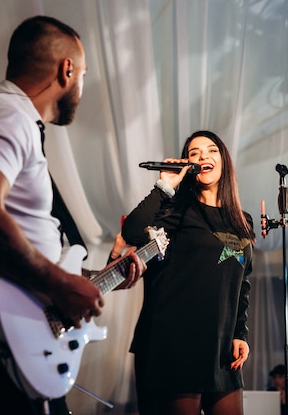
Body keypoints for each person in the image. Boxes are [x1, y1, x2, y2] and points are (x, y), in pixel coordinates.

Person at [0, 16, 146, 415]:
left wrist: (86, 280)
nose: (81, 86)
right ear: (66, 69)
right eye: (82, 74)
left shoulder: (9, 119)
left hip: (11, 333)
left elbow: (7, 247)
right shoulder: (3, 115)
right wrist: (60, 283)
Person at [121, 130, 255, 415]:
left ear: (224, 161)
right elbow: (132, 232)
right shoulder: (175, 211)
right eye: (194, 153)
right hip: (177, 342)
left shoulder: (243, 221)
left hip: (220, 345)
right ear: (188, 165)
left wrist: (239, 332)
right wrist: (164, 185)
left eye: (211, 150)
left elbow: (241, 283)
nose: (203, 156)